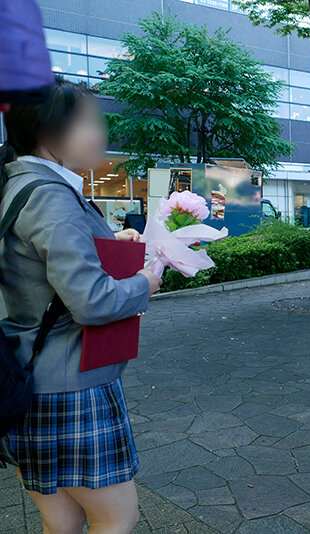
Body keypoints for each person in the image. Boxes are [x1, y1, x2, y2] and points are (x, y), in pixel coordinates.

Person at [0, 79, 162, 534]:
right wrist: (144, 282)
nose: (101, 133)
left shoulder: (19, 182)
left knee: (62, 522)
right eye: (89, 122)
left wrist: (111, 243)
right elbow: (90, 301)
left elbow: (37, 270)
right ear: (51, 135)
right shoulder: (51, 194)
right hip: (70, 386)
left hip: (25, 378)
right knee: (117, 518)